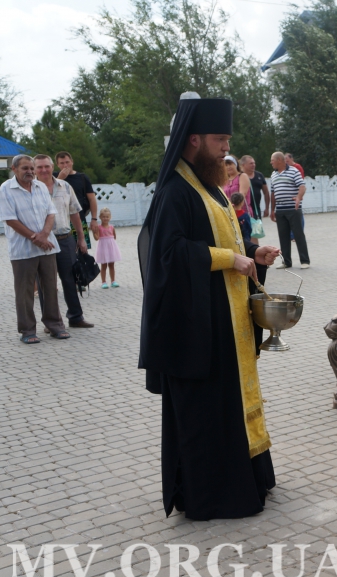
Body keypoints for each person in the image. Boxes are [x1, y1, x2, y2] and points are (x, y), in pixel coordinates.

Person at [138, 95, 282, 520]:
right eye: (220, 140)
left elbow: (226, 239)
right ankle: (214, 494)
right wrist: (229, 260)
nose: (226, 149)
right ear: (194, 139)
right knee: (208, 410)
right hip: (198, 326)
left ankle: (249, 478)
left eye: (227, 140)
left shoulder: (212, 187)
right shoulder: (174, 191)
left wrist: (252, 253)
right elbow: (169, 254)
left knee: (232, 402)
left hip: (226, 317)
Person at [0, 155, 69, 344]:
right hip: (22, 250)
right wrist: (35, 238)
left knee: (50, 288)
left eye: (31, 168)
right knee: (25, 292)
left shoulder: (40, 187)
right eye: (25, 168)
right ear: (14, 169)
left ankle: (55, 325)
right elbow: (10, 219)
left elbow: (51, 213)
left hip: (47, 247)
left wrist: (44, 235)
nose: (30, 172)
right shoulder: (6, 189)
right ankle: (27, 330)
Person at [33, 154, 95, 329]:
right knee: (46, 283)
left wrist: (81, 238)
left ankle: (76, 317)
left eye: (47, 166)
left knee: (70, 279)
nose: (44, 170)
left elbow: (75, 213)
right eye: (39, 167)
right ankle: (50, 322)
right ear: (35, 169)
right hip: (44, 242)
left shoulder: (65, 186)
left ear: (52, 167)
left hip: (65, 239)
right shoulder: (31, 189)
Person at [269, 151, 310, 269]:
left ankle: (305, 261)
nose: (271, 162)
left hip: (293, 209)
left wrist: (298, 197)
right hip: (280, 210)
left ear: (279, 160)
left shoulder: (293, 171)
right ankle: (286, 262)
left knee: (298, 234)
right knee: (283, 236)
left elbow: (302, 186)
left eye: (272, 160)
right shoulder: (273, 174)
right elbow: (273, 193)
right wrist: (272, 210)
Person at [55, 151, 98, 251]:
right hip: (60, 221)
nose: (65, 165)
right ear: (57, 165)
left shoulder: (82, 177)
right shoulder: (53, 177)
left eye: (67, 162)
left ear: (72, 162)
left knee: (82, 250)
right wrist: (60, 179)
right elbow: (49, 194)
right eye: (62, 163)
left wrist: (94, 219)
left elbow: (92, 199)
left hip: (79, 218)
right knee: (64, 251)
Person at [93, 207, 122, 288]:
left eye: (107, 217)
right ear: (100, 217)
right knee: (103, 265)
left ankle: (113, 281)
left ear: (110, 217)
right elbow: (97, 238)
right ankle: (103, 282)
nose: (105, 218)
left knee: (112, 265)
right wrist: (94, 232)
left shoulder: (112, 227)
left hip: (111, 248)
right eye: (103, 217)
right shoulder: (99, 227)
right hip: (103, 248)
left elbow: (114, 237)